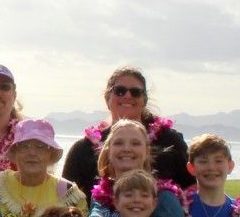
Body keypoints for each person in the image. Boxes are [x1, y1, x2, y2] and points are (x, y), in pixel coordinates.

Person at [63, 65, 192, 196]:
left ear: (144, 100)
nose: (128, 96)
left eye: (135, 92)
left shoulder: (170, 141)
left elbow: (193, 189)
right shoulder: (83, 149)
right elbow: (66, 200)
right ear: (108, 98)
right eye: (120, 91)